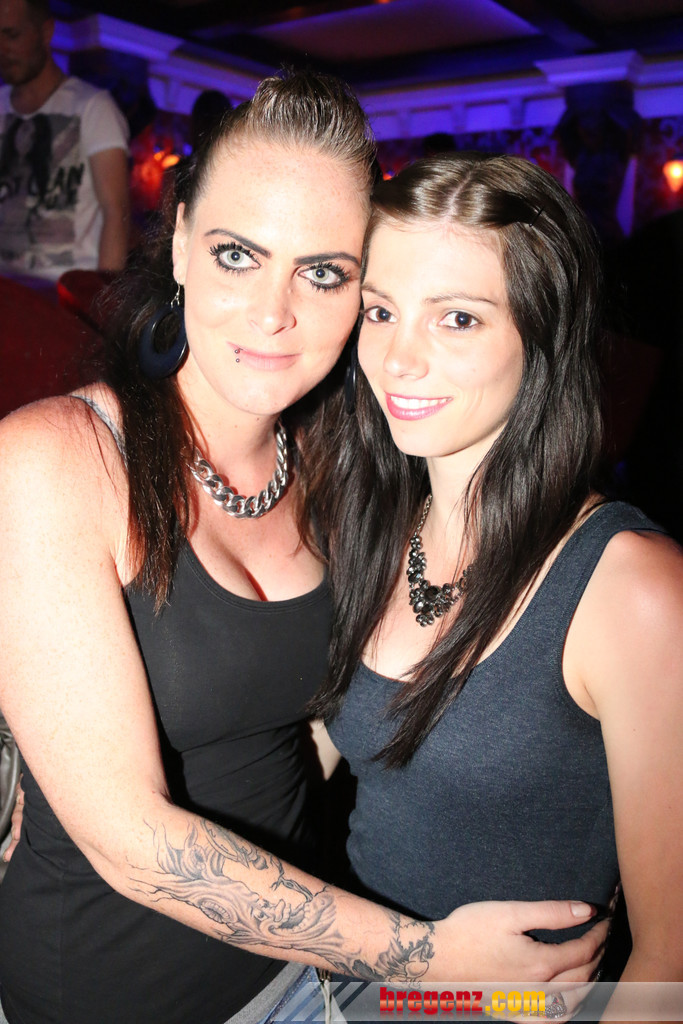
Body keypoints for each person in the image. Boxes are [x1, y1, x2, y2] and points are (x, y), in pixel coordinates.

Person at [0, 76, 607, 1024]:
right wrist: (425, 956)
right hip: (114, 991)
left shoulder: (339, 464)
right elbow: (127, 836)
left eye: (323, 273)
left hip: (309, 973)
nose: (273, 312)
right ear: (182, 242)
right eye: (237, 255)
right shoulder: (55, 459)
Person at [308, 152, 683, 992]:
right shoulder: (369, 531)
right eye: (380, 311)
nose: (397, 359)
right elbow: (299, 764)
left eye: (457, 319)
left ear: (542, 335)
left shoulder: (631, 589)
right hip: (343, 988)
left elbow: (669, 965)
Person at [0, 0, 129, 280]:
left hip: (63, 292)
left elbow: (115, 211)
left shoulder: (93, 107)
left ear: (46, 32)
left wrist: (101, 298)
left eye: (12, 35)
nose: (2, 47)